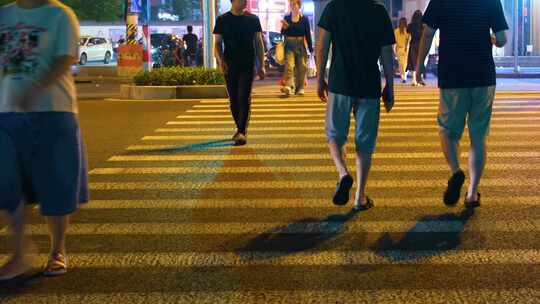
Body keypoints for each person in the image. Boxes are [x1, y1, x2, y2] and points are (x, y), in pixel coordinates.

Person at [0, 0, 88, 280]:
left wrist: (35, 87)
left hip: (53, 110)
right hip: (6, 111)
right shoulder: (4, 15)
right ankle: (19, 252)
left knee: (56, 182)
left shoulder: (60, 14)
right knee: (7, 181)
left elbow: (66, 58)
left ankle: (57, 251)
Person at [416, 0, 508, 207]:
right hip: (483, 76)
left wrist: (419, 65)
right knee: (478, 137)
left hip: (452, 75)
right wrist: (492, 39)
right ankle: (472, 194)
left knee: (448, 131)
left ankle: (456, 172)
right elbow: (502, 38)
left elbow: (428, 33)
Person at [317, 0, 395, 210]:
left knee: (334, 135)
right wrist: (390, 85)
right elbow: (387, 52)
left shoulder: (334, 7)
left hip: (340, 83)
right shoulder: (379, 11)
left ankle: (343, 173)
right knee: (365, 144)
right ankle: (360, 197)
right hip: (369, 85)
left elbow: (322, 46)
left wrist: (319, 79)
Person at [213, 0, 266, 146]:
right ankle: (239, 128)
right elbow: (217, 43)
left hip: (247, 64)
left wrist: (261, 65)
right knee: (234, 100)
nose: (244, 2)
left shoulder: (253, 19)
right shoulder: (222, 20)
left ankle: (241, 131)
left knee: (244, 97)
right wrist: (220, 60)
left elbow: (259, 43)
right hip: (229, 65)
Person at [280, 0, 313, 96]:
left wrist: (310, 48)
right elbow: (282, 32)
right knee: (289, 65)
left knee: (302, 66)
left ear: (299, 6)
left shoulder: (304, 19)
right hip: (289, 44)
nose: (293, 6)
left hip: (300, 44)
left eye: (295, 4)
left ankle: (300, 88)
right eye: (291, 5)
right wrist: (285, 27)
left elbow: (307, 34)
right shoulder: (287, 17)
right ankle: (289, 86)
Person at [407, 10, 425, 86]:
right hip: (421, 45)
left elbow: (408, 34)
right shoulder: (423, 25)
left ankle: (414, 80)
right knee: (420, 61)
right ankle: (420, 79)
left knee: (414, 63)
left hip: (413, 44)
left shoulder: (410, 25)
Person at [394, 17, 410, 83]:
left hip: (399, 49)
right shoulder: (408, 31)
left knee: (401, 64)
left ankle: (403, 77)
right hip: (406, 49)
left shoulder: (396, 31)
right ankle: (404, 76)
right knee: (405, 64)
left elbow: (394, 42)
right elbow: (409, 40)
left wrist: (395, 51)